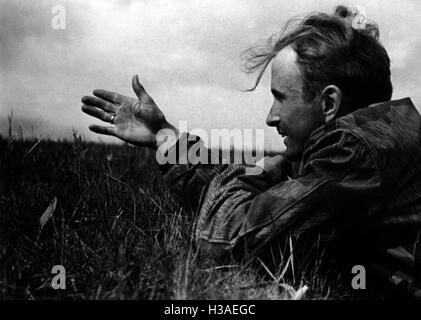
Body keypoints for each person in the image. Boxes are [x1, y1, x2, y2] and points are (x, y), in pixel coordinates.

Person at [81, 6, 421, 298]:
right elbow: (255, 209)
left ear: (328, 102)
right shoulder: (371, 140)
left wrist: (261, 172)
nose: (271, 117)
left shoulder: (353, 152)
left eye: (280, 97)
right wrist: (165, 136)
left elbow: (225, 239)